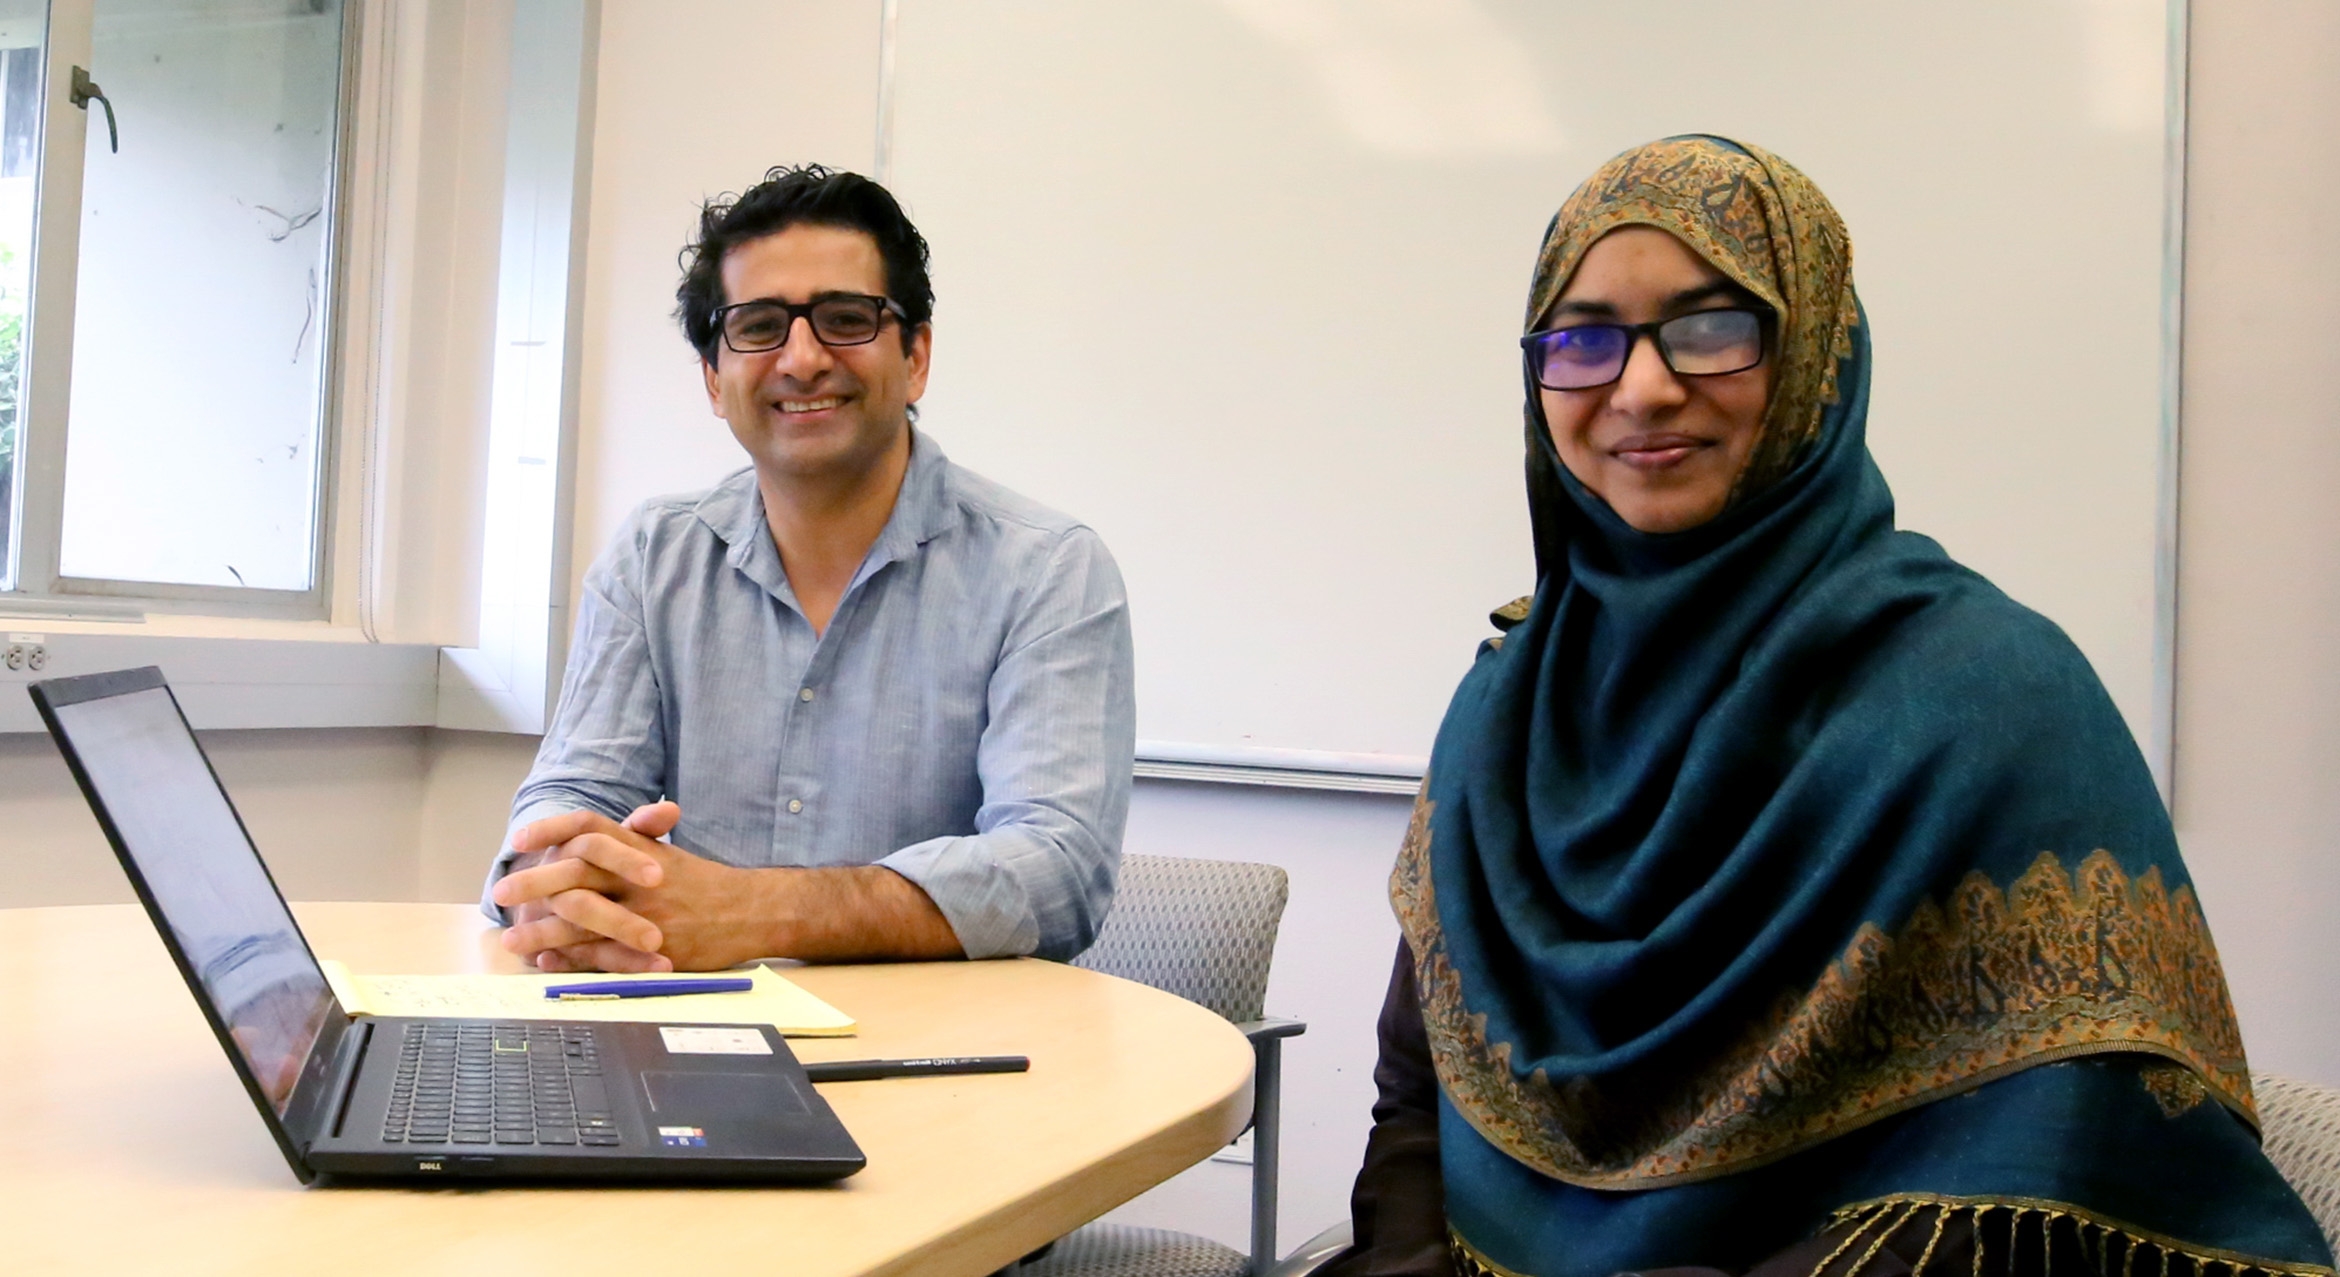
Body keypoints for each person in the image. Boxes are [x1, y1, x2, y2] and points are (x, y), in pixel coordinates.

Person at [1327, 136, 2332, 1277]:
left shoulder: (1994, 700)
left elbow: (2049, 1172)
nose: (1641, 386)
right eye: (1583, 336)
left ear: (1815, 356)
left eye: (1712, 324)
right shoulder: (1506, 707)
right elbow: (1417, 1096)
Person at [478, 165, 1134, 973]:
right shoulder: (655, 557)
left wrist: (757, 912)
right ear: (716, 379)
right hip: (693, 1044)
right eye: (758, 327)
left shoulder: (1048, 570)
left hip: (953, 1060)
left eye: (845, 319)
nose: (802, 358)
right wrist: (554, 880)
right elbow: (571, 793)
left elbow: (1056, 870)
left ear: (917, 356)